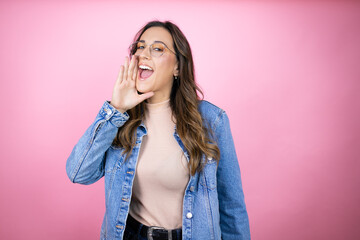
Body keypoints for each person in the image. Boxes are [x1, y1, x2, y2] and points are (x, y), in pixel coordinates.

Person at [66, 20, 250, 240]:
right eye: (140, 47)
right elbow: (78, 173)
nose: (143, 54)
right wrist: (115, 110)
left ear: (178, 67)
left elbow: (232, 207)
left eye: (157, 49)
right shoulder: (120, 119)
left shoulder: (212, 121)